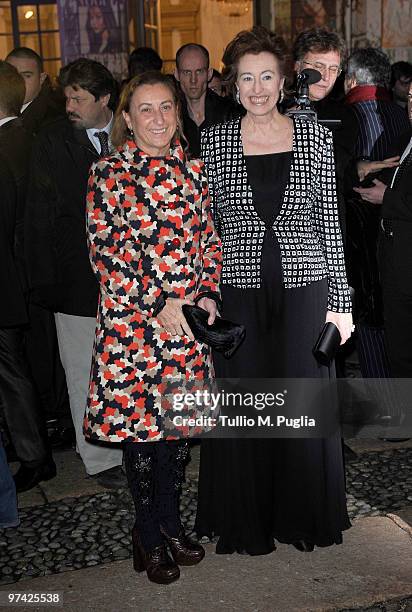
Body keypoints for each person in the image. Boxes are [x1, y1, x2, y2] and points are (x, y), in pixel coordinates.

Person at [195, 26, 353, 555]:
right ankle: (250, 517)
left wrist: (342, 305)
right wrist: (206, 292)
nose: (258, 88)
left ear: (283, 80)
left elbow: (330, 224)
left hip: (305, 288)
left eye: (267, 76)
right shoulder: (213, 141)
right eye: (246, 78)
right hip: (239, 290)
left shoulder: (316, 138)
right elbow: (207, 227)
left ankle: (302, 515)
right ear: (232, 85)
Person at [84, 71, 222, 583]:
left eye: (167, 107)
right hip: (134, 332)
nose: (159, 118)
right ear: (127, 117)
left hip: (187, 328)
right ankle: (147, 536)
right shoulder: (108, 173)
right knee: (142, 437)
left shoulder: (194, 171)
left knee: (177, 437)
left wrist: (207, 293)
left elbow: (211, 242)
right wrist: (159, 301)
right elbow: (107, 254)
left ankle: (170, 524)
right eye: (146, 109)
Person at [25, 58, 124, 489]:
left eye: (78, 98)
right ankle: (101, 460)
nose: (69, 104)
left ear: (105, 99)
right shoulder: (52, 141)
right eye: (66, 96)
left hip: (125, 281)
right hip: (75, 280)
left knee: (123, 366)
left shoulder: (127, 134)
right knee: (83, 370)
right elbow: (39, 215)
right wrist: (46, 282)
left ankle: (134, 440)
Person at [6, 47, 70, 448]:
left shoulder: (47, 123)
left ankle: (52, 417)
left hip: (38, 256)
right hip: (24, 258)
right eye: (12, 74)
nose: (19, 82)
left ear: (43, 78)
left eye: (27, 74)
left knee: (47, 346)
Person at [0, 61, 56, 493]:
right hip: (21, 278)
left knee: (12, 369)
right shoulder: (26, 137)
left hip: (11, 278)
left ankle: (34, 453)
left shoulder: (8, 144)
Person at [344, 48, 409, 385]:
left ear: (352, 79)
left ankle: (385, 406)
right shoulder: (400, 113)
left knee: (371, 321)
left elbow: (359, 182)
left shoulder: (356, 112)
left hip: (367, 235)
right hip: (394, 237)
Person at [291, 27, 359, 240]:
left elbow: (333, 167)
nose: (326, 76)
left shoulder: (345, 116)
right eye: (318, 66)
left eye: (334, 69)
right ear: (298, 66)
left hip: (327, 222)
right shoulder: (275, 109)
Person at [174, 43, 240, 157]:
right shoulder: (170, 116)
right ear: (176, 74)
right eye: (186, 72)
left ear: (209, 74)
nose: (193, 80)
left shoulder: (230, 113)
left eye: (199, 71)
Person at [6, 47, 64, 136]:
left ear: (41, 79)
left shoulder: (55, 121)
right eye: (11, 75)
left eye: (27, 76)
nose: (18, 82)